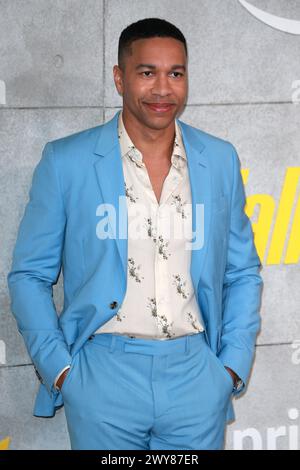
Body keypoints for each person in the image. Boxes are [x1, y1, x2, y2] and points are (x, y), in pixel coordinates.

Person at [7, 17, 263, 450]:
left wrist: (230, 368)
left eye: (175, 73)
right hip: (102, 376)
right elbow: (29, 276)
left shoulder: (218, 159)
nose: (163, 89)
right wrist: (63, 371)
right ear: (119, 78)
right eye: (148, 73)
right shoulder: (66, 161)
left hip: (195, 376)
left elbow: (241, 272)